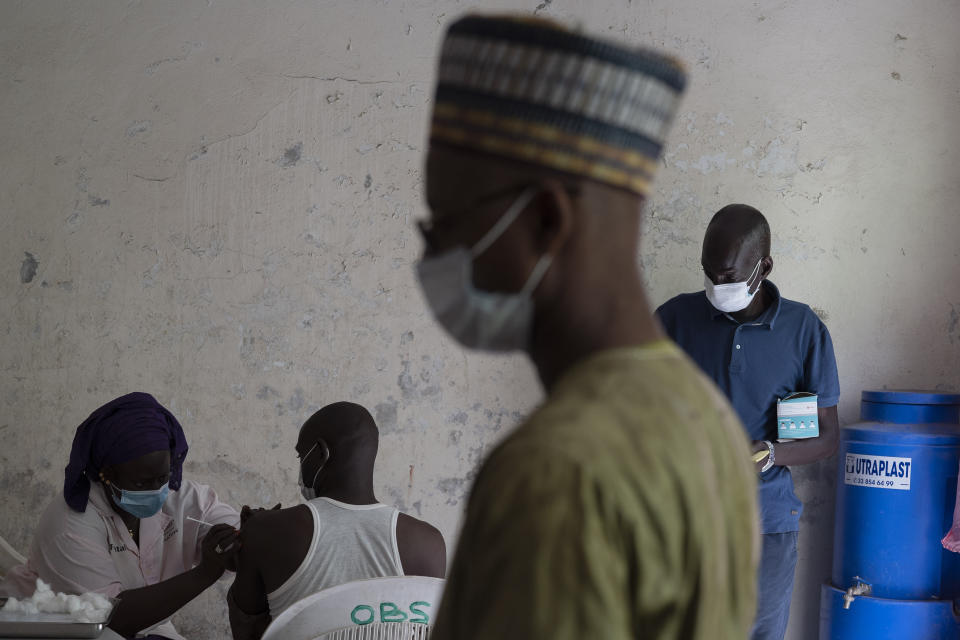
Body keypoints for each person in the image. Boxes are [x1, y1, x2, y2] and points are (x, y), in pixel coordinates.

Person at [414, 14, 758, 639]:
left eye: (445, 225)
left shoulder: (557, 471)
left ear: (547, 218)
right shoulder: (707, 423)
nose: (432, 257)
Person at [656, 204, 841, 640]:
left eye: (728, 277)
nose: (716, 285)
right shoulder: (674, 321)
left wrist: (770, 452)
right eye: (709, 273)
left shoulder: (802, 332)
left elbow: (827, 436)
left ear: (765, 267)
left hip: (767, 526)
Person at [0, 392, 242, 640]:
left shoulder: (181, 498)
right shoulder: (69, 523)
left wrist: (241, 543)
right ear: (106, 474)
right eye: (141, 482)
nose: (156, 491)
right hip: (52, 630)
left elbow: (238, 536)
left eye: (162, 477)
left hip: (141, 627)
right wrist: (205, 572)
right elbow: (113, 618)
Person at [227, 401, 445, 640]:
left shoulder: (266, 530)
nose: (300, 466)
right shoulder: (428, 542)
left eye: (301, 454)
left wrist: (253, 537)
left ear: (321, 453)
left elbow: (245, 632)